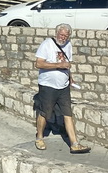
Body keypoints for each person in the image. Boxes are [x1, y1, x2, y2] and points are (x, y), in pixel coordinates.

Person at [33, 23, 90, 154]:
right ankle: (39, 138)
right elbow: (39, 63)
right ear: (56, 33)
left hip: (63, 86)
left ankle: (74, 144)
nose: (63, 38)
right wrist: (59, 65)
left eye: (66, 35)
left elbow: (67, 63)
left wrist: (69, 76)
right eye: (61, 35)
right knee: (45, 112)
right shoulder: (47, 44)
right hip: (48, 85)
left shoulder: (68, 45)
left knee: (67, 113)